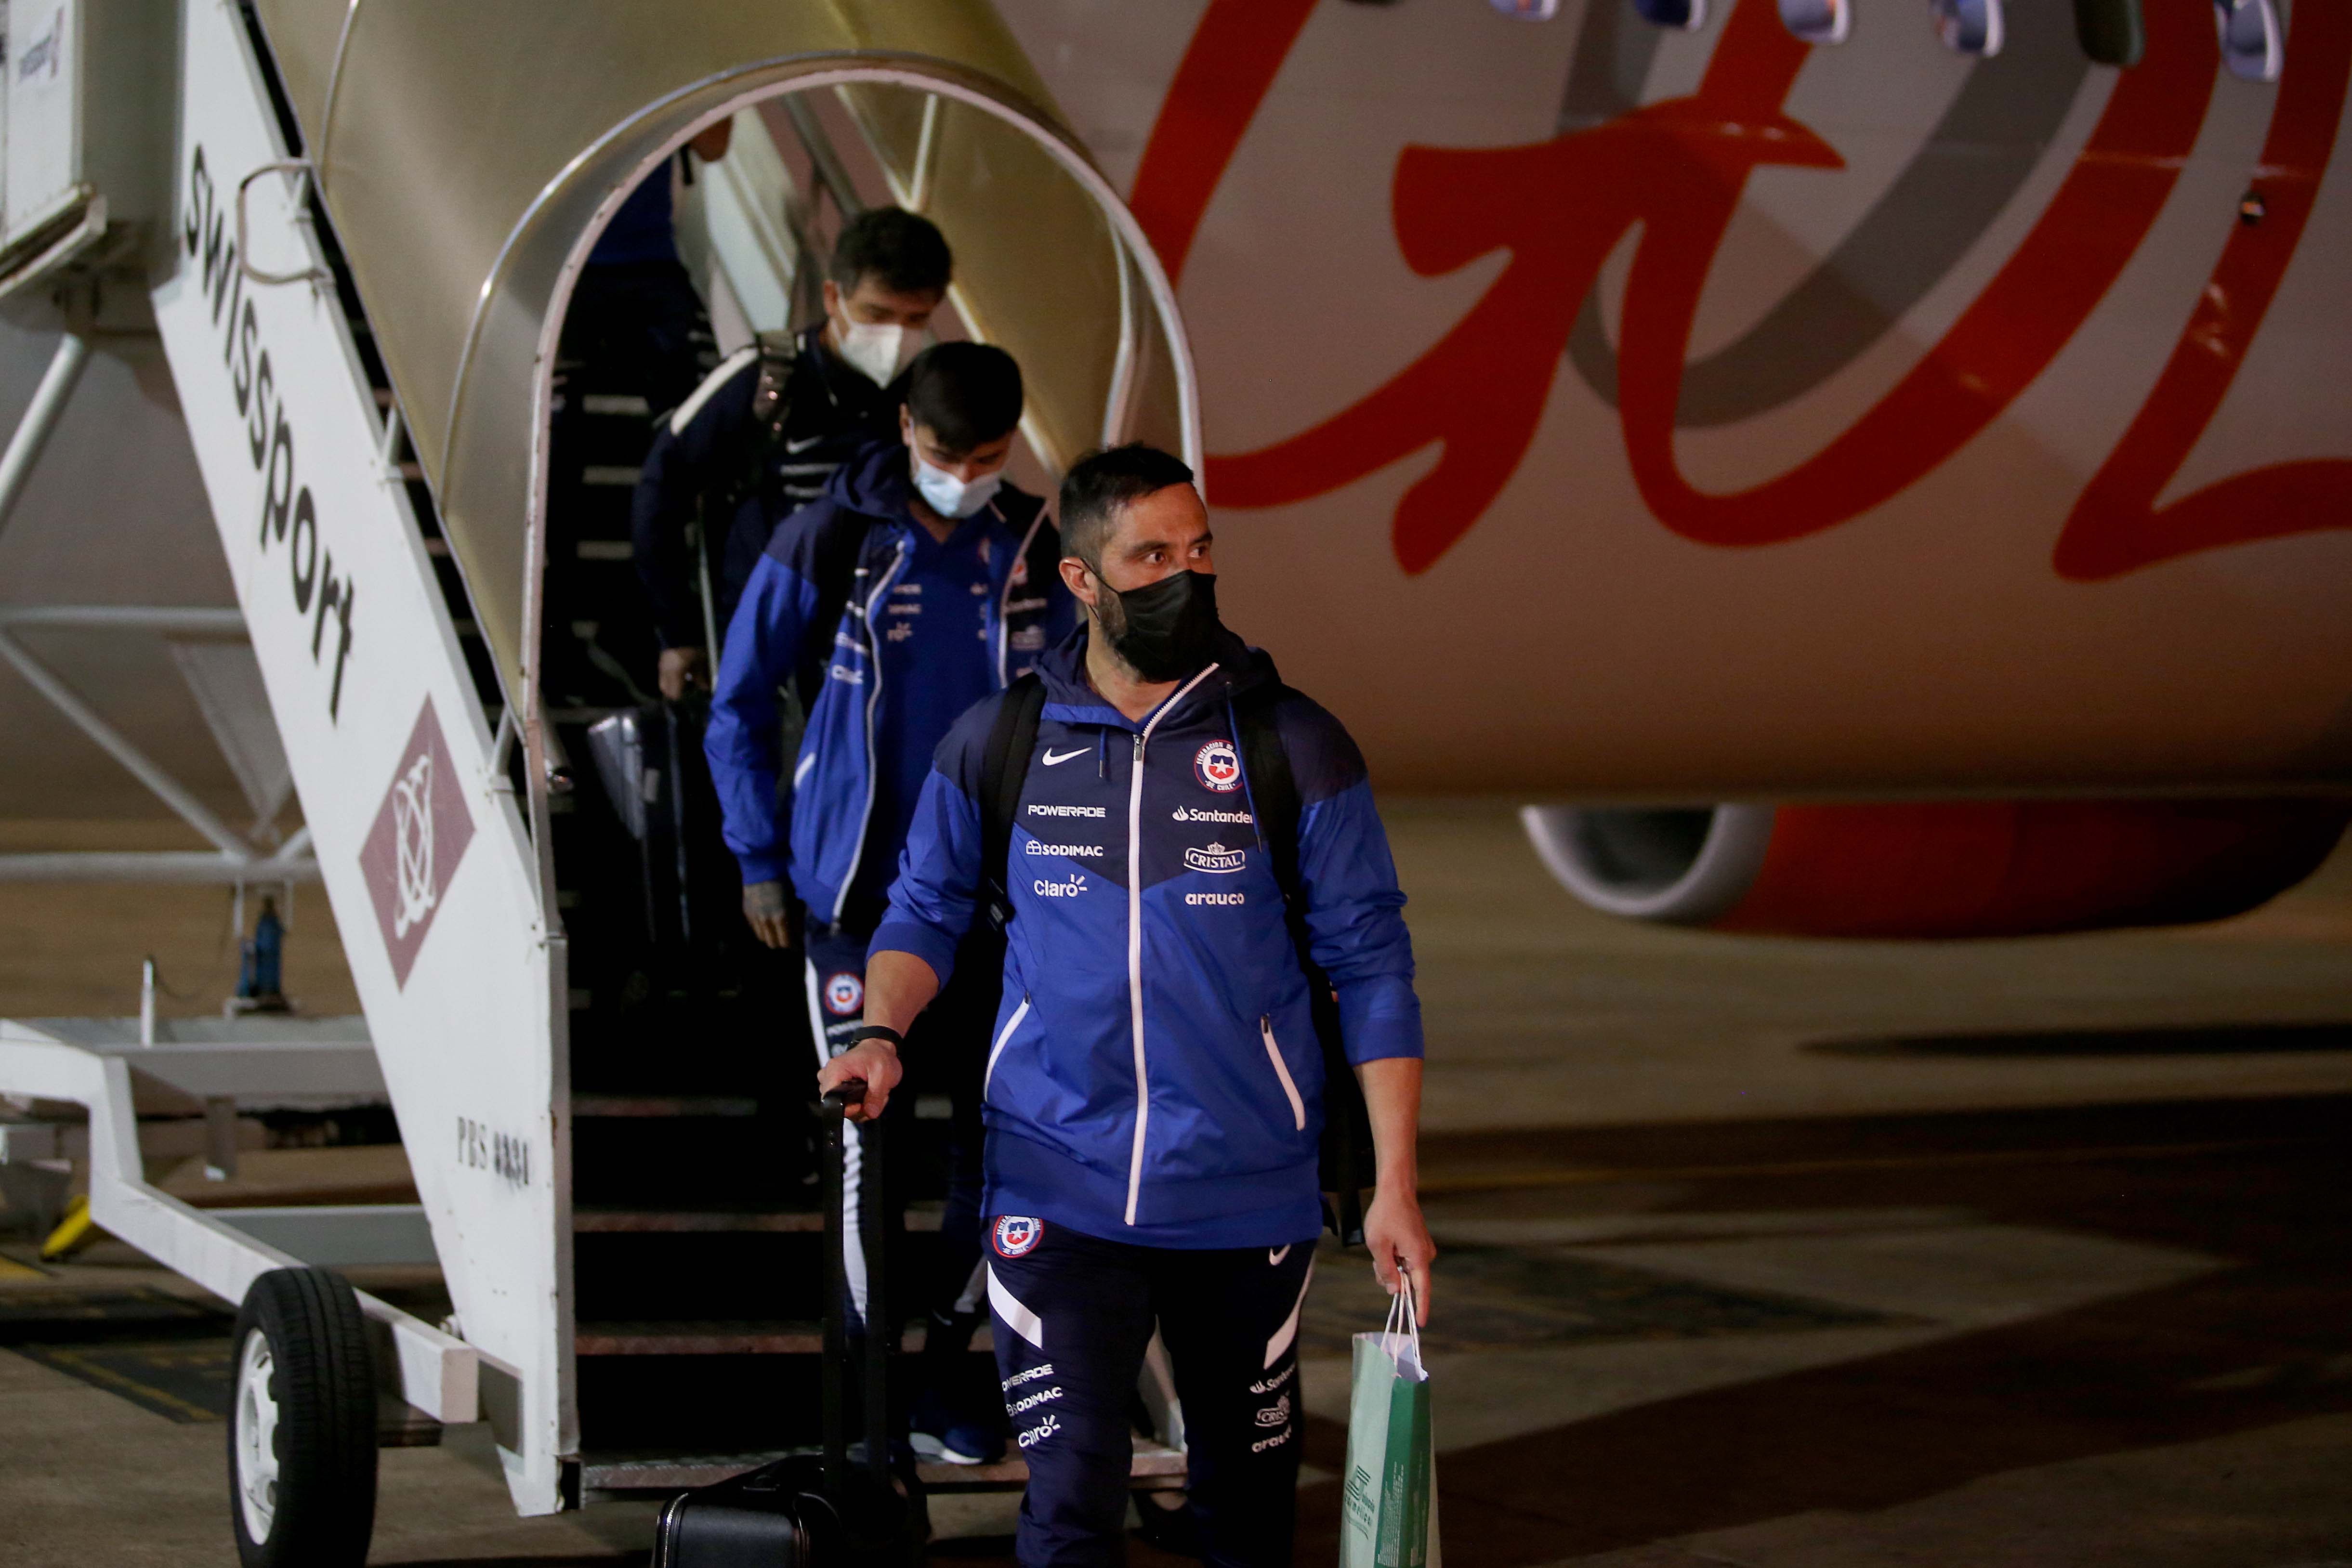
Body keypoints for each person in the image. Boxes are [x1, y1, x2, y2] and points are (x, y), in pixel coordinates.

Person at [819, 444, 1435, 1567]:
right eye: (1150, 555)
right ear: (1081, 581)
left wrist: (1392, 1185)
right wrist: (878, 1032)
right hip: (1056, 1186)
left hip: (1245, 1193)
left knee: (1244, 1509)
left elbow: (1373, 968)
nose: (1184, 577)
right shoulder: (1000, 740)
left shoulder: (1292, 743)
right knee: (1069, 1502)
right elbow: (921, 912)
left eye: (1198, 551)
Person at [704, 340, 1075, 1465]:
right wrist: (760, 856)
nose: (966, 469)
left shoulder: (1036, 546)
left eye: (990, 454)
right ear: (905, 425)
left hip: (1003, 914)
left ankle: (944, 1380)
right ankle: (863, 1417)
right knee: (869, 1154)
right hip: (860, 910)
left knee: (999, 1162)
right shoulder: (835, 536)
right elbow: (736, 702)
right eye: (947, 448)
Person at [632, 206, 954, 701]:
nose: (895, 337)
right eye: (876, 314)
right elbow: (660, 487)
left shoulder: (926, 390)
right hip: (761, 635)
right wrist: (676, 633)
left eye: (915, 319)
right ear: (833, 296)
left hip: (880, 646)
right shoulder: (765, 378)